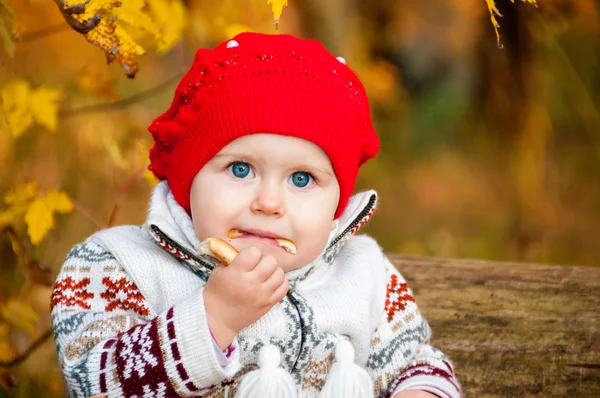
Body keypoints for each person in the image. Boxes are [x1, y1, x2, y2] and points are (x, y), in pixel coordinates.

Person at [51, 32, 462, 398]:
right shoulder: (119, 265)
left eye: (301, 179)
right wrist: (212, 318)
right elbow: (91, 383)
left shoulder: (363, 271)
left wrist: (420, 389)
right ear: (187, 179)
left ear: (337, 201)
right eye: (241, 169)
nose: (269, 202)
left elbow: (413, 361)